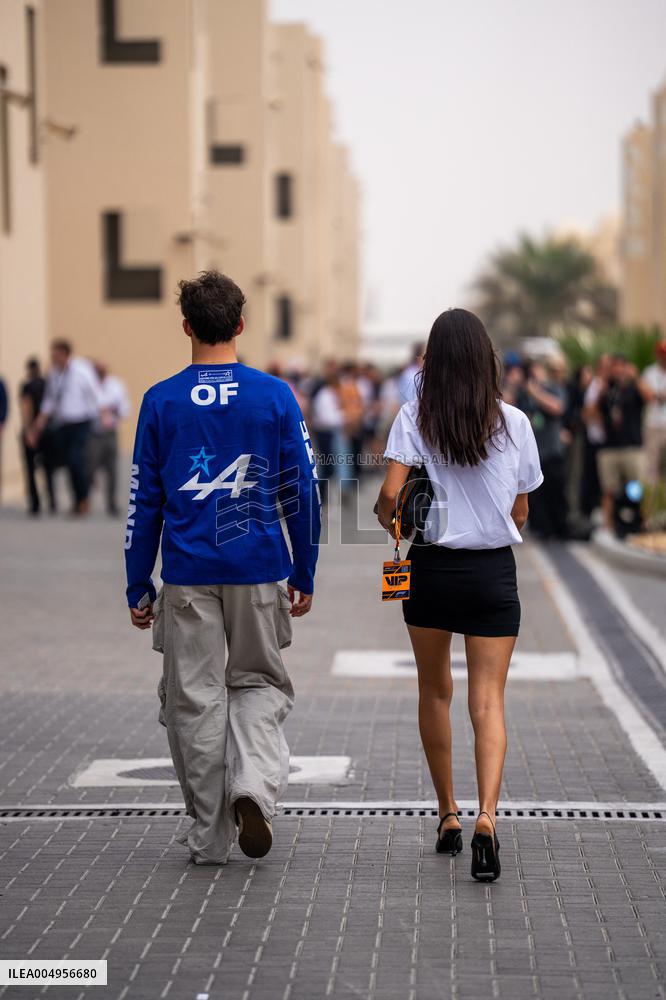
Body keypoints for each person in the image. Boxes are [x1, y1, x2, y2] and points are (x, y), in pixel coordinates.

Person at [125, 270, 320, 866]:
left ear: (186, 325)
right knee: (258, 683)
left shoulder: (161, 399)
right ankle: (254, 788)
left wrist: (138, 581)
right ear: (240, 324)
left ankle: (209, 836)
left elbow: (144, 500)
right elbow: (303, 489)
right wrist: (303, 569)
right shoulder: (275, 396)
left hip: (186, 572)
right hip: (259, 566)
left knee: (195, 700)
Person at [377, 309, 542, 882]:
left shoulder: (412, 418)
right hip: (493, 575)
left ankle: (447, 812)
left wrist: (393, 518)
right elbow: (521, 508)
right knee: (488, 700)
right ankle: (487, 821)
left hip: (430, 571)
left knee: (435, 691)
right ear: (485, 358)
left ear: (433, 361)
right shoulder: (515, 423)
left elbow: (388, 499)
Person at [28, 340, 100, 515]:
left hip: (82, 421)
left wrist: (101, 415)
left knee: (76, 460)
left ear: (66, 353)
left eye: (56, 354)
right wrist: (38, 423)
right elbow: (49, 401)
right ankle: (78, 499)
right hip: (63, 424)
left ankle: (83, 498)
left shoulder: (82, 369)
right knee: (69, 463)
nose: (53, 357)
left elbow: (95, 392)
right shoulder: (53, 373)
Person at [596, 354, 651, 532]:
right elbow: (591, 412)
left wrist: (636, 377)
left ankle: (643, 522)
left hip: (632, 447)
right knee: (609, 490)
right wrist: (600, 387)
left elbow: (650, 398)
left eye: (621, 366)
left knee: (637, 488)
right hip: (610, 447)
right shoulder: (607, 390)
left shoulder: (634, 388)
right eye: (615, 367)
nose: (618, 370)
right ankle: (608, 524)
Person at [517, 359, 569, 540]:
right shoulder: (523, 393)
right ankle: (542, 529)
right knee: (538, 493)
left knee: (557, 490)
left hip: (553, 449)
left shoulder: (553, 388)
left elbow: (557, 407)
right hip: (535, 450)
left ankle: (561, 528)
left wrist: (536, 392)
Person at [88, 361, 130, 516]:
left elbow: (125, 409)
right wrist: (102, 409)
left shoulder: (116, 385)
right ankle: (85, 501)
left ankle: (111, 504)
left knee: (112, 470)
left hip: (110, 432)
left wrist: (110, 411)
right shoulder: (89, 384)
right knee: (89, 468)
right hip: (93, 433)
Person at [19, 358, 56, 515]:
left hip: (33, 432)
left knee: (30, 470)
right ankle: (52, 502)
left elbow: (26, 407)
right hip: (47, 431)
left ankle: (35, 504)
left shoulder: (27, 386)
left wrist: (29, 431)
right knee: (48, 469)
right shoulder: (47, 384)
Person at [642, 340, 666, 485]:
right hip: (653, 424)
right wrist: (658, 395)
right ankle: (653, 501)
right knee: (651, 465)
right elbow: (648, 396)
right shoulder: (649, 372)